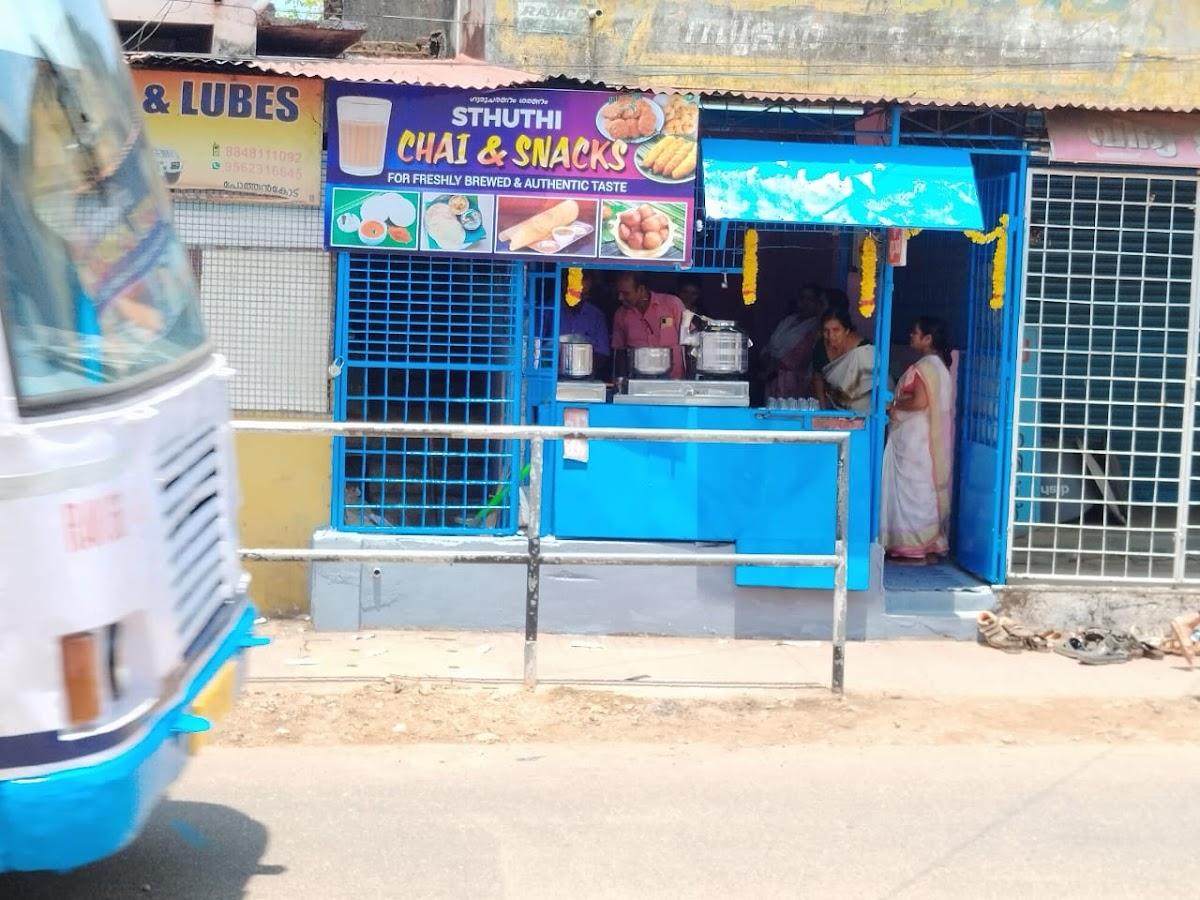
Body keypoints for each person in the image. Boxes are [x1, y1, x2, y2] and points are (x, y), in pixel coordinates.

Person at [881, 317, 955, 564]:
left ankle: (912, 546)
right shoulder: (939, 367)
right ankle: (928, 542)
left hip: (916, 441)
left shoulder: (927, 367)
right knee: (922, 490)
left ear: (927, 339)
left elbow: (919, 402)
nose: (911, 336)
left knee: (914, 491)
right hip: (922, 439)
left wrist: (893, 403)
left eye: (915, 333)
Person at [612, 271, 687, 379]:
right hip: (638, 381)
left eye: (626, 293)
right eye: (619, 293)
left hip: (674, 380)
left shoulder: (672, 304)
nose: (620, 297)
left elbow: (690, 341)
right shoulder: (621, 314)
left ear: (641, 289)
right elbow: (619, 352)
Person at [761, 282, 824, 398]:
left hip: (794, 383)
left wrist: (775, 364)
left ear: (817, 303)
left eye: (810, 299)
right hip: (773, 380)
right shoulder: (789, 320)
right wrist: (767, 359)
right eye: (802, 298)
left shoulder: (815, 327)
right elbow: (769, 346)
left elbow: (799, 359)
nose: (805, 302)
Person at [815, 307, 875, 413]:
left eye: (836, 330)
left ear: (847, 330)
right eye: (826, 331)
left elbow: (872, 385)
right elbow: (818, 378)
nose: (830, 336)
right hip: (833, 409)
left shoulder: (863, 349)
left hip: (864, 411)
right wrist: (822, 410)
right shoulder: (820, 347)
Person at [558, 271, 610, 375]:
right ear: (565, 285)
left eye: (584, 295)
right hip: (552, 376)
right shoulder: (548, 311)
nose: (579, 300)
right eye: (576, 294)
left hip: (585, 377)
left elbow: (602, 354)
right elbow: (537, 347)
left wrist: (581, 365)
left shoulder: (596, 316)